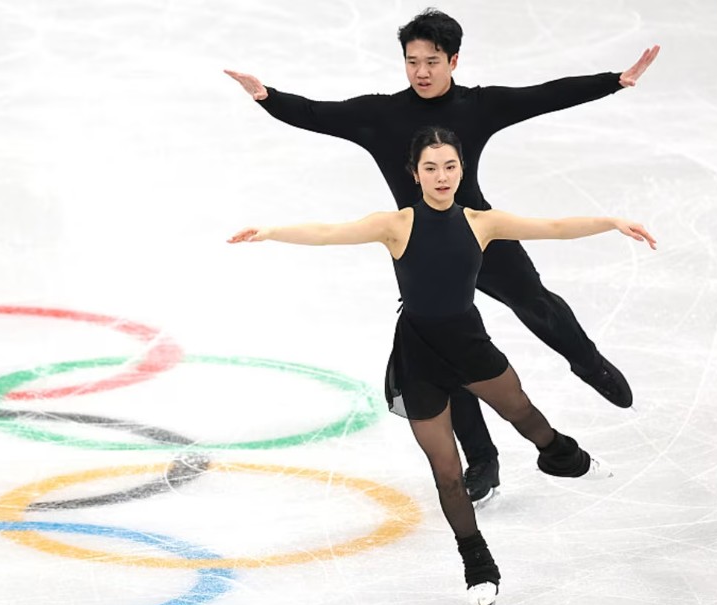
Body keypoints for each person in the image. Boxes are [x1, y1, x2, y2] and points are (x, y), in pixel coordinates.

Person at [225, 8, 660, 505]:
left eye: (432, 60)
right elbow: (318, 114)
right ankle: (483, 461)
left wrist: (614, 81)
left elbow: (542, 96)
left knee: (533, 300)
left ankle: (586, 361)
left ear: (454, 60)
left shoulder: (477, 106)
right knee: (444, 351)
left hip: (479, 233)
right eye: (412, 61)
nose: (421, 71)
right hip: (419, 247)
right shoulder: (381, 114)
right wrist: (267, 97)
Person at [228, 127, 656, 605]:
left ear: (461, 170)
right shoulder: (396, 225)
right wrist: (270, 232)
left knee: (523, 413)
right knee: (447, 472)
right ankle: (478, 563)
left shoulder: (480, 222)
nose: (441, 176)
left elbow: (554, 227)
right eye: (430, 168)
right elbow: (329, 234)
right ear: (415, 173)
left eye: (449, 166)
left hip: (469, 344)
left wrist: (613, 222)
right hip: (419, 354)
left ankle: (562, 456)